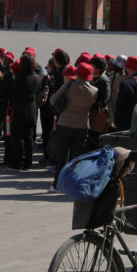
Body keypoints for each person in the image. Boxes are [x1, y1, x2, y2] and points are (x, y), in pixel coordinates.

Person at [48, 63, 97, 192]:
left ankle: (57, 184)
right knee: (76, 158)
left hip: (65, 123)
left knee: (62, 156)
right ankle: (73, 184)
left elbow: (53, 100)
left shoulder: (68, 86)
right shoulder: (94, 91)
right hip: (82, 125)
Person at [9, 52, 41, 170]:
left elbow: (13, 94)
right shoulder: (37, 77)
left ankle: (17, 162)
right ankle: (28, 163)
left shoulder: (20, 77)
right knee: (28, 137)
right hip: (32, 108)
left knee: (17, 137)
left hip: (20, 108)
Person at [114, 56, 137, 132]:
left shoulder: (125, 84)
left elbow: (120, 107)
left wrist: (117, 123)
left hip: (128, 126)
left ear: (128, 68)